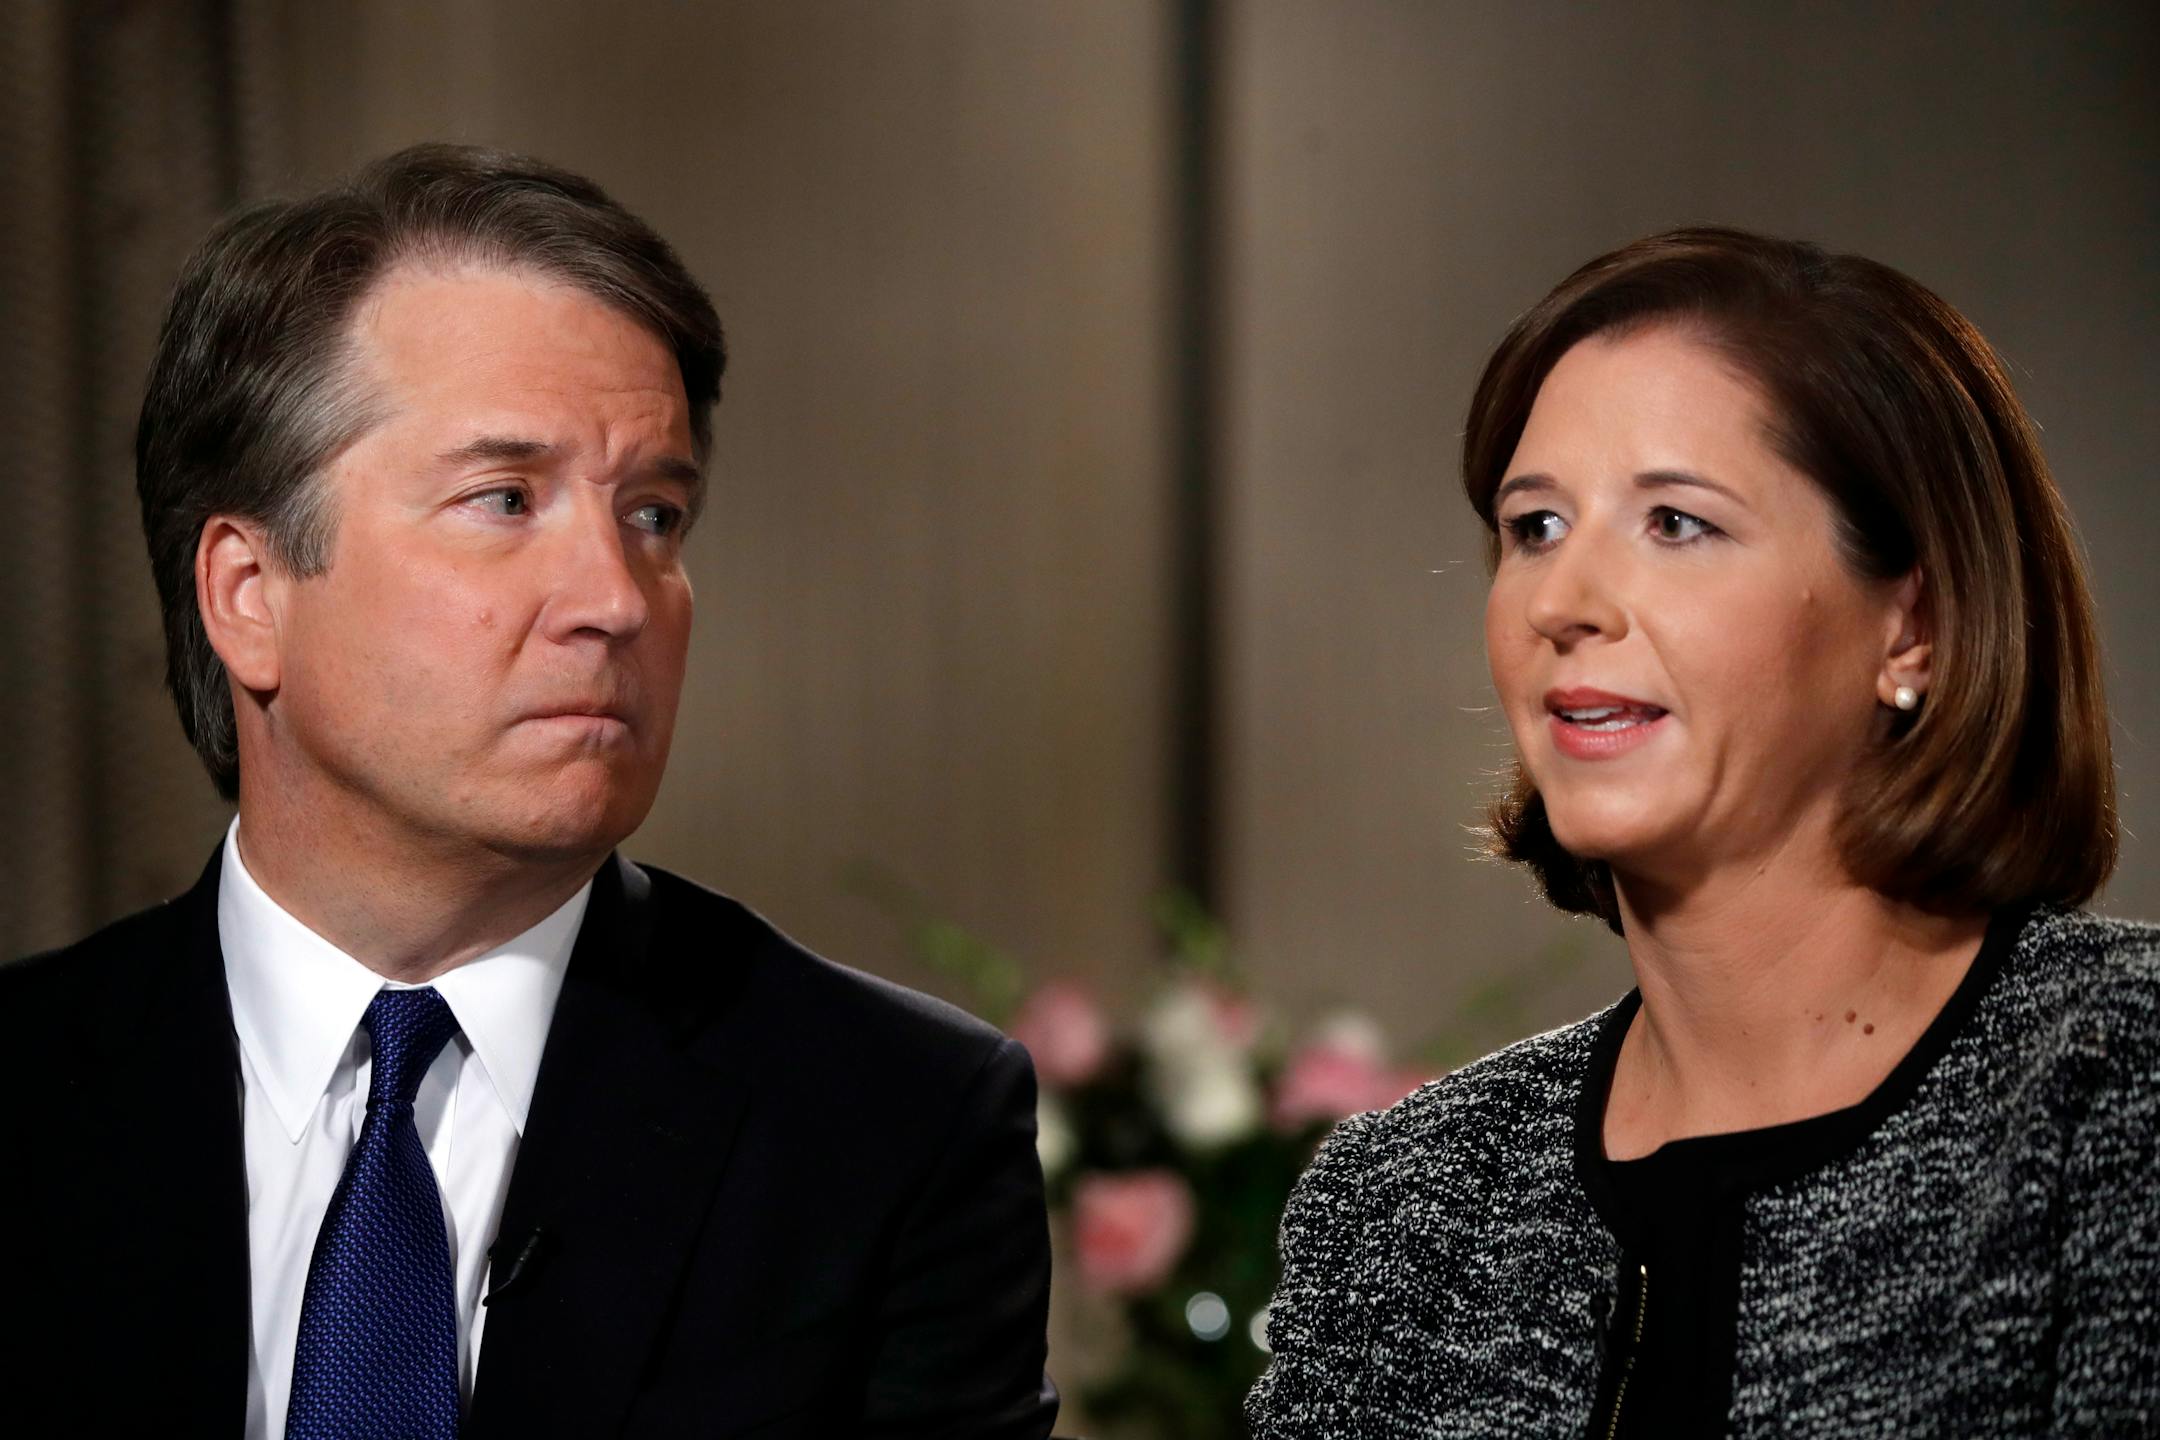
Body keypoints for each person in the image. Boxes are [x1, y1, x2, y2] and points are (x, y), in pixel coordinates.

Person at [0, 144, 1059, 1440]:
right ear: (249, 595)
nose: (617, 599)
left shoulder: (892, 1129)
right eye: (505, 499)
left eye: (656, 516)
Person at [1245, 228, 2159, 1437]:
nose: (1564, 604)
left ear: (1914, 629)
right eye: (1535, 527)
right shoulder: (1402, 1205)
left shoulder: (2117, 1088)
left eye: (1675, 523)